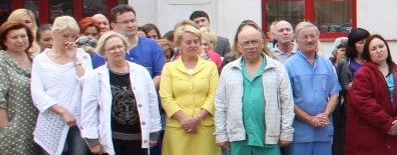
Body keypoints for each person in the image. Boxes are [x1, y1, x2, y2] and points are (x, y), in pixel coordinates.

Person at [215, 21, 294, 155]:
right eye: (246, 43)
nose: (251, 46)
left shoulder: (277, 68)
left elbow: (286, 102)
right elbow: (220, 104)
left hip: (268, 138)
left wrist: (286, 132)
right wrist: (220, 134)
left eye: (254, 42)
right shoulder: (229, 70)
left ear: (262, 43)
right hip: (238, 138)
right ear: (239, 47)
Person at [80, 31, 161, 155]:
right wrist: (92, 140)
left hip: (138, 138)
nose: (117, 50)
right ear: (104, 52)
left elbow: (151, 102)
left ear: (125, 48)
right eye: (112, 48)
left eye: (119, 46)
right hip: (111, 139)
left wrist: (154, 131)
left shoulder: (141, 72)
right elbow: (89, 109)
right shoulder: (95, 76)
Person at [31, 16, 93, 155]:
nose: (69, 40)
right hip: (51, 119)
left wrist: (75, 59)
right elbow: (37, 93)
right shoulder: (41, 60)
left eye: (73, 36)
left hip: (79, 120)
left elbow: (88, 84)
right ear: (55, 34)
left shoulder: (83, 57)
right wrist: (62, 111)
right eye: (65, 36)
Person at [345, 34, 397, 155]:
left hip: (395, 131)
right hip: (369, 133)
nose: (378, 51)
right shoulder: (363, 74)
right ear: (368, 53)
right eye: (373, 49)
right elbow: (364, 103)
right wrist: (387, 124)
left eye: (381, 46)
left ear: (387, 48)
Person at [160, 25, 220, 155]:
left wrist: (198, 118)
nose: (193, 45)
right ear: (179, 44)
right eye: (188, 42)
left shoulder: (210, 67)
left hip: (204, 128)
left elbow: (214, 95)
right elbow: (166, 97)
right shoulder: (169, 68)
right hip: (178, 128)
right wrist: (184, 120)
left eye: (196, 41)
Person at [283, 22, 340, 155]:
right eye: (304, 37)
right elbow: (287, 100)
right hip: (300, 134)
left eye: (312, 36)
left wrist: (325, 114)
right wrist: (310, 119)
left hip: (323, 131)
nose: (309, 40)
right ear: (296, 40)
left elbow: (334, 94)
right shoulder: (288, 66)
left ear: (317, 38)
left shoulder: (327, 64)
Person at [92, 5, 166, 88]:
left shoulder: (152, 45)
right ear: (113, 25)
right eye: (125, 22)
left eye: (133, 21)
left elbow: (160, 74)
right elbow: (98, 78)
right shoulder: (104, 49)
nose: (131, 25)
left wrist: (144, 91)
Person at [0, 19, 41, 155]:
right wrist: (7, 129)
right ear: (5, 41)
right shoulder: (2, 62)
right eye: (14, 37)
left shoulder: (37, 60)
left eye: (23, 36)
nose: (20, 41)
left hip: (37, 129)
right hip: (13, 131)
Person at [333, 28, 369, 155]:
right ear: (353, 45)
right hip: (351, 108)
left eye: (366, 41)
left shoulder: (373, 61)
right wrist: (350, 87)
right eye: (360, 42)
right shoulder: (345, 62)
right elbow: (341, 86)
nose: (364, 45)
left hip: (371, 107)